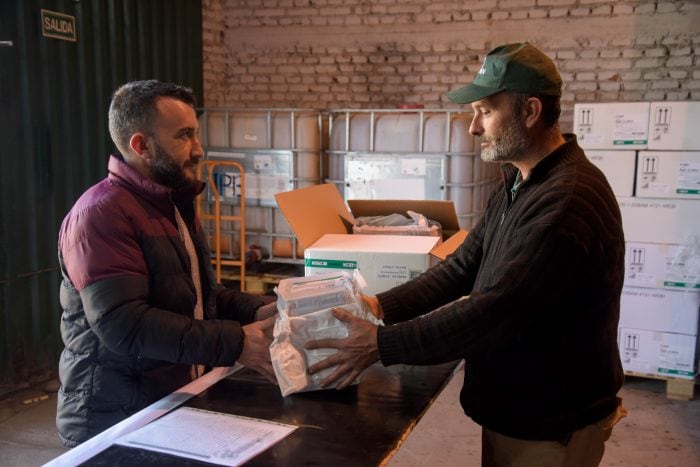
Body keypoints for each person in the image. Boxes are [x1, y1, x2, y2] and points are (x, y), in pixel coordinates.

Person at [306, 43, 627, 466]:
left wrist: (382, 345)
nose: (473, 128)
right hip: (516, 408)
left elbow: (494, 311)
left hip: (551, 421)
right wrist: (379, 306)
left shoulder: (566, 201)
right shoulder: (520, 180)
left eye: (486, 112)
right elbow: (462, 266)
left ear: (530, 111)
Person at [56, 80, 277, 447]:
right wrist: (236, 342)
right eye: (185, 136)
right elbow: (123, 324)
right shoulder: (101, 214)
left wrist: (263, 311)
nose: (199, 150)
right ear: (141, 145)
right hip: (115, 420)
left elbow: (198, 297)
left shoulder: (171, 204)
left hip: (167, 402)